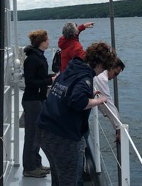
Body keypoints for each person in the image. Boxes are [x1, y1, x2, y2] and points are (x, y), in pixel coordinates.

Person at [36, 41, 117, 186]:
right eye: (104, 68)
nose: (102, 72)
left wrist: (89, 93)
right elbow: (77, 102)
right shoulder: (85, 77)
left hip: (44, 130)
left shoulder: (72, 67)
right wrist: (99, 101)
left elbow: (64, 88)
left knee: (58, 178)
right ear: (100, 64)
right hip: (62, 137)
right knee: (68, 180)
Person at [22, 30, 57, 178]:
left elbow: (40, 77)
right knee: (32, 134)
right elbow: (30, 82)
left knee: (37, 134)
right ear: (42, 42)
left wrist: (54, 77)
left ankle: (36, 163)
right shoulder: (32, 59)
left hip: (38, 99)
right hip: (32, 100)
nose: (49, 42)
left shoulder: (38, 56)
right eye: (47, 40)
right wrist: (50, 81)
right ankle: (29, 168)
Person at [94, 57, 125, 131]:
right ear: (110, 67)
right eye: (115, 73)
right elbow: (108, 103)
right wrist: (119, 127)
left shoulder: (99, 74)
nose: (115, 77)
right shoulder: (102, 78)